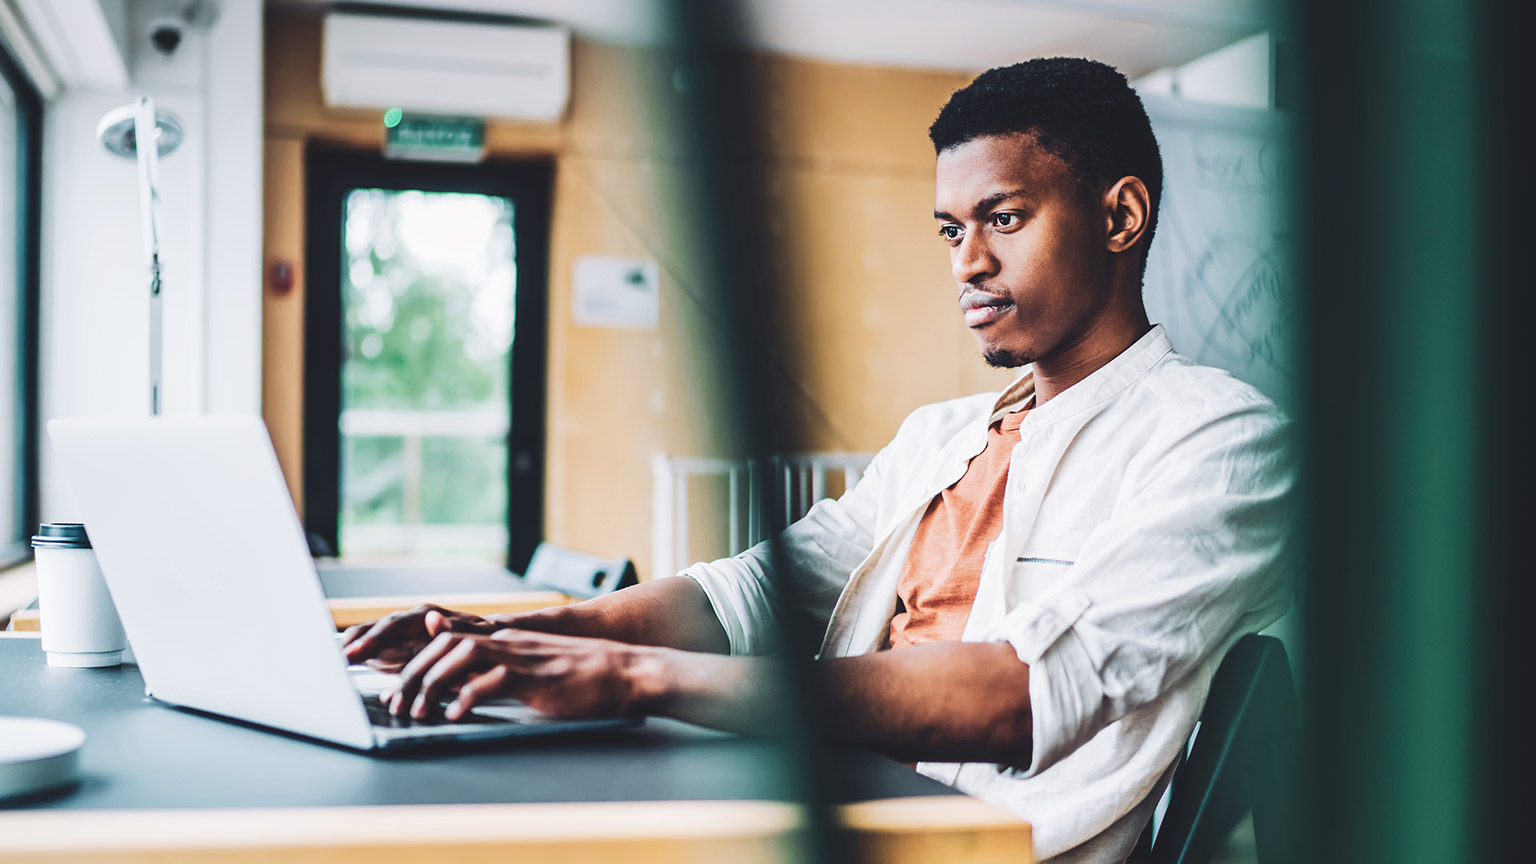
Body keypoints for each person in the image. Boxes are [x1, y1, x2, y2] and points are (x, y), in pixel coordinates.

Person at [342, 57, 1293, 863]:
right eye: (951, 230)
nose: (966, 263)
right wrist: (535, 635)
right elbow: (760, 594)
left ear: (1121, 217)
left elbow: (1026, 692)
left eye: (1003, 217)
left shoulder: (1219, 440)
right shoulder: (942, 435)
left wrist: (630, 676)